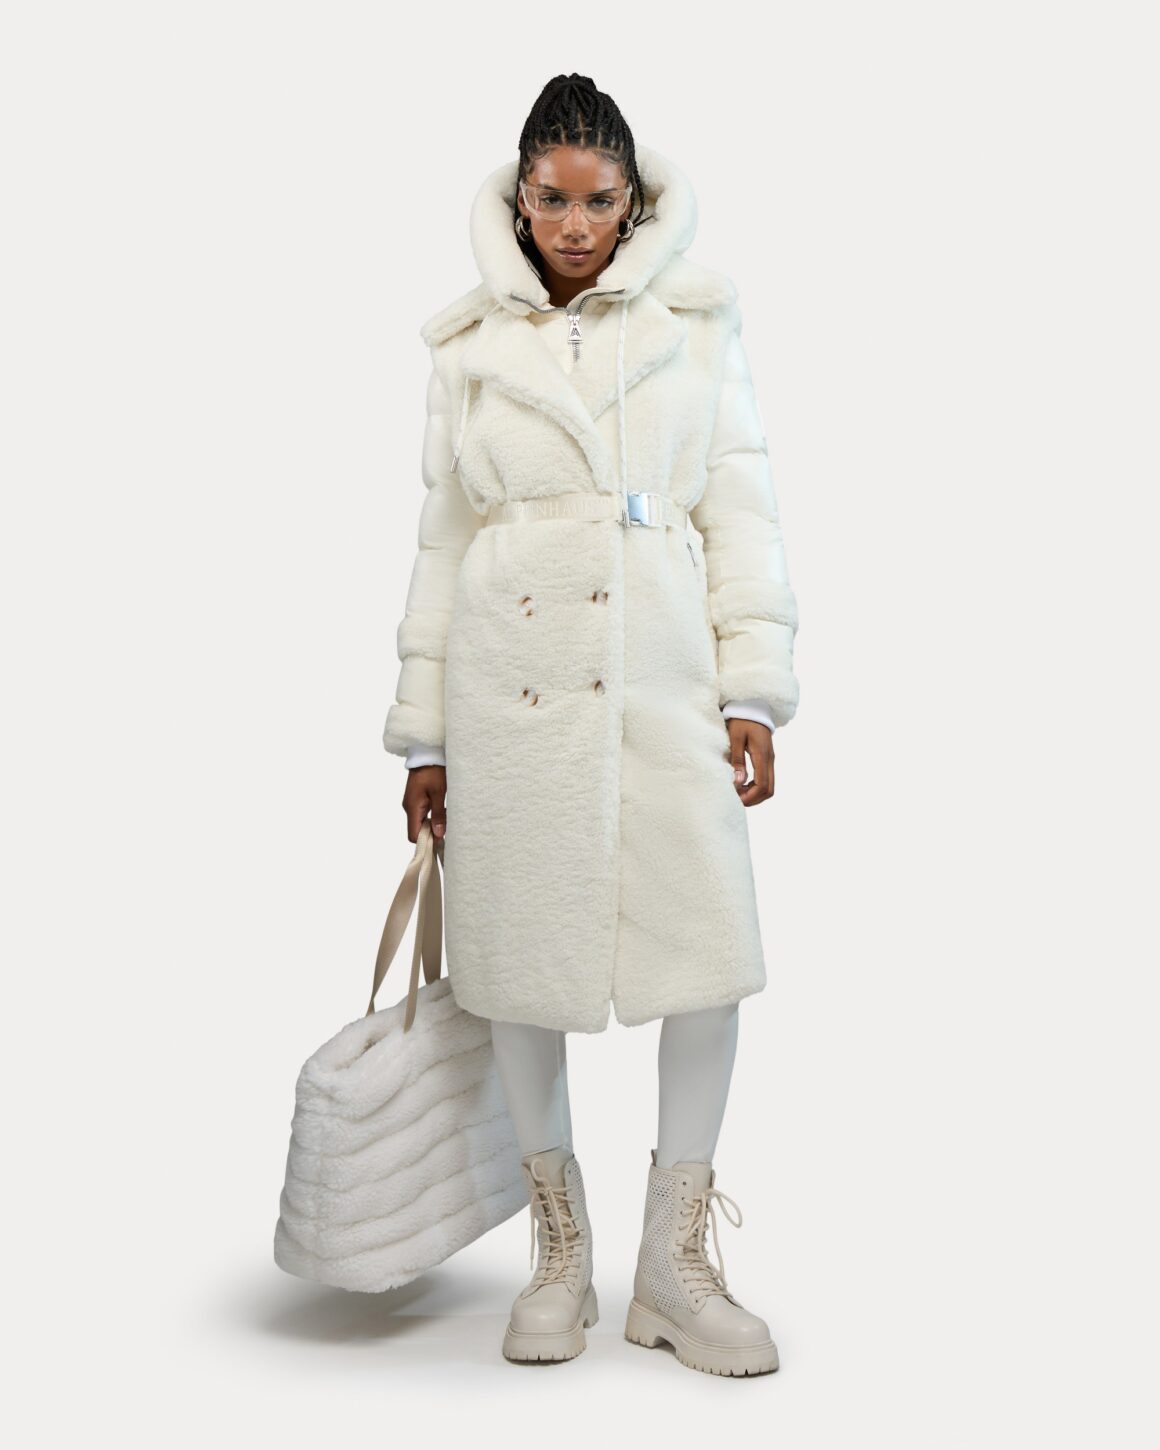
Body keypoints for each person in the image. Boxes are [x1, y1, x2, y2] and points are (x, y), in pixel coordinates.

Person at [382, 74, 799, 1376]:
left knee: (706, 954)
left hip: (663, 669)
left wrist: (751, 688)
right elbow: (443, 539)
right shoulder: (467, 346)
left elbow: (739, 503)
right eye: (551, 200)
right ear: (521, 198)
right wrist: (425, 735)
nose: (574, 225)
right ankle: (558, 1255)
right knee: (520, 965)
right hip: (513, 683)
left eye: (598, 201)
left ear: (632, 201)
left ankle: (675, 1263)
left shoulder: (695, 318)